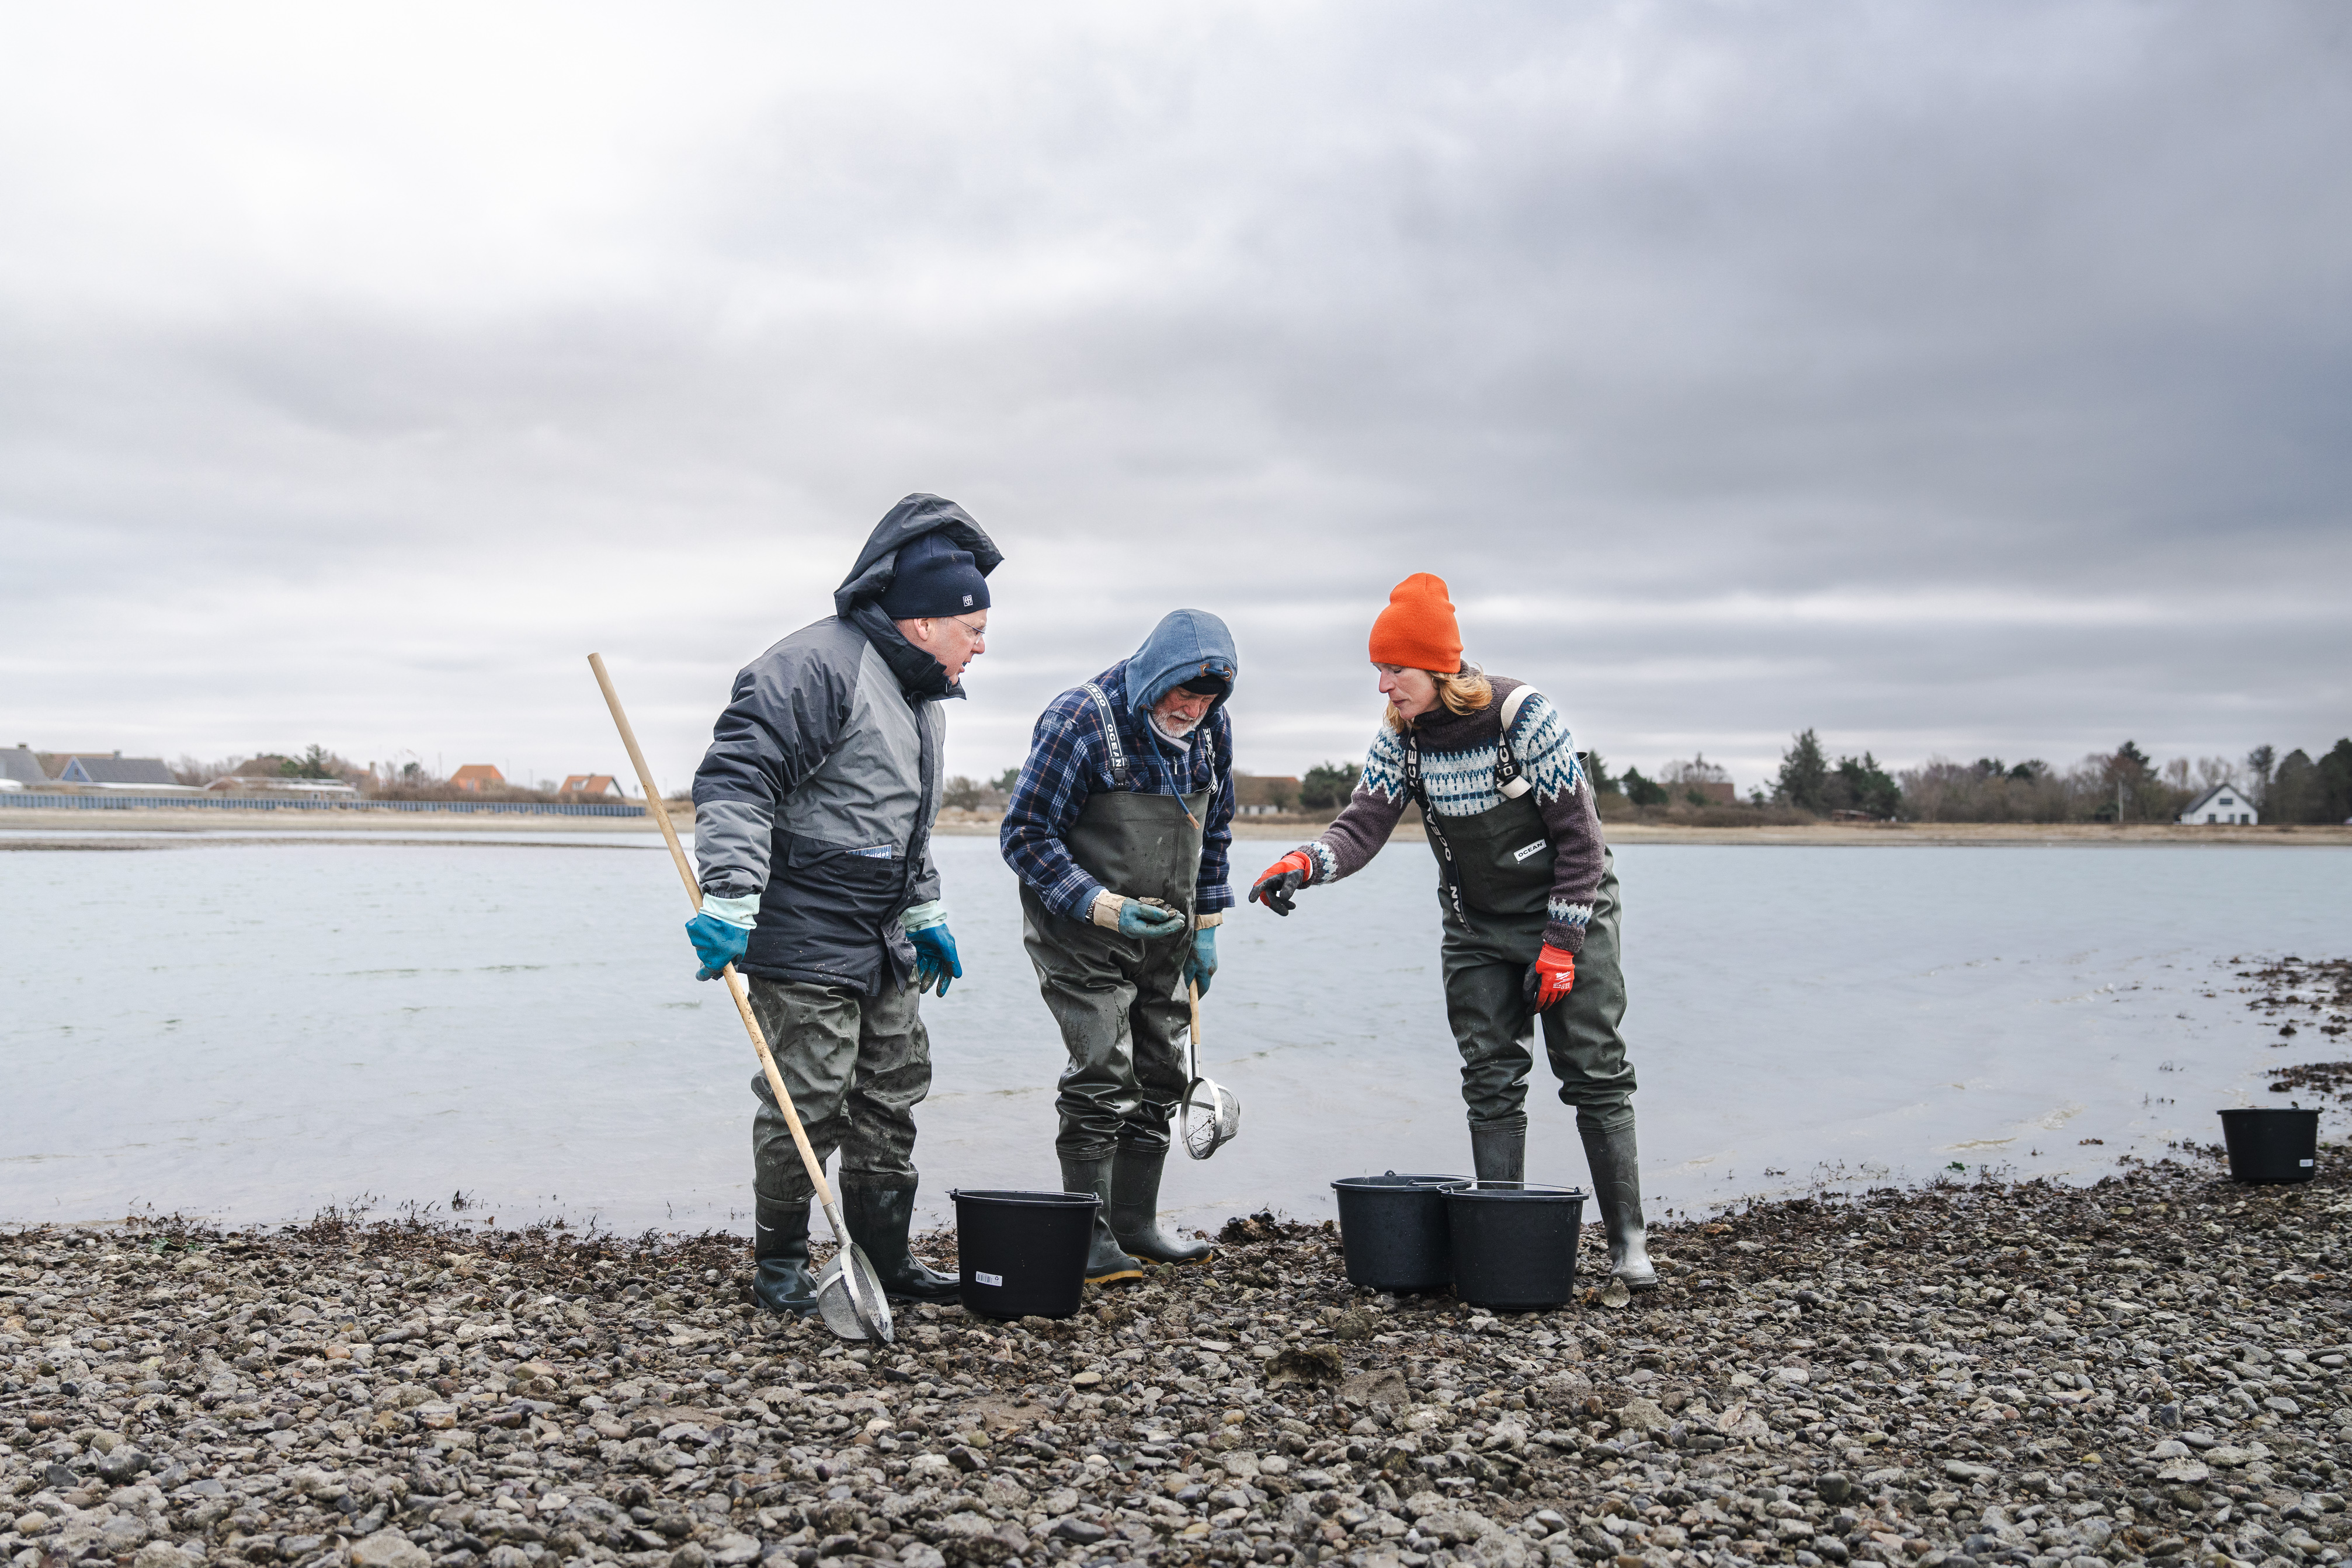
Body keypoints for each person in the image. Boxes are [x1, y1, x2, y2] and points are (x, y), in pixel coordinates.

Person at [1246, 573, 1657, 1289]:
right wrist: (1301, 863)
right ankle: (1501, 1230)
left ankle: (1629, 1242)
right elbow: (1363, 824)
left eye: (1393, 670)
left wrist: (1560, 949)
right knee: (1490, 1078)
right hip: (1474, 928)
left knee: (1594, 1074)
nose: (1382, 686)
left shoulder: (1523, 717)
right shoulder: (1402, 737)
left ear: (1438, 666)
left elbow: (1581, 843)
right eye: (1377, 670)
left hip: (1571, 910)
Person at [685, 494, 1000, 1313]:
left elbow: (899, 824)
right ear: (926, 620)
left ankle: (884, 1258)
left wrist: (925, 911)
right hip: (802, 923)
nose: (979, 648)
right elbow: (737, 780)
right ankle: (781, 1265)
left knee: (893, 1089)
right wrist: (728, 893)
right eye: (973, 632)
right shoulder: (813, 666)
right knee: (809, 1094)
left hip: (884, 927)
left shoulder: (923, 698)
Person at [1000, 610, 1239, 1284]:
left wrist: (1208, 930)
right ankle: (1089, 1236)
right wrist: (1106, 908)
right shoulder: (1081, 720)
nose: (1189, 711)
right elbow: (1024, 836)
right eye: (1179, 696)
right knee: (1104, 1070)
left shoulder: (1210, 726)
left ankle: (1136, 1225)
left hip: (1168, 931)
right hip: (1078, 928)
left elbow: (1214, 832)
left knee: (1163, 1071)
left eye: (1205, 700)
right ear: (1151, 677)